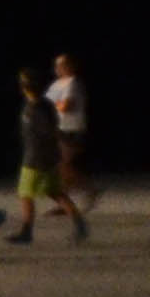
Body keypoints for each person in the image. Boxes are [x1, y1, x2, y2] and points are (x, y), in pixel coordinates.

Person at [7, 69, 86, 245]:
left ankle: (26, 232)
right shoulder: (40, 105)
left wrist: (63, 144)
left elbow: (51, 132)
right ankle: (80, 225)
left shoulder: (37, 109)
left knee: (25, 193)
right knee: (54, 192)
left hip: (36, 159)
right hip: (44, 157)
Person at [47, 53, 95, 210]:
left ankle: (88, 189)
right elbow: (46, 104)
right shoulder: (57, 84)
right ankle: (66, 203)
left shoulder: (73, 83)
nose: (58, 68)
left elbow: (66, 106)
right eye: (57, 65)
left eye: (62, 65)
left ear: (71, 66)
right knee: (61, 168)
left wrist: (56, 104)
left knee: (63, 166)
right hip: (60, 128)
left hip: (73, 129)